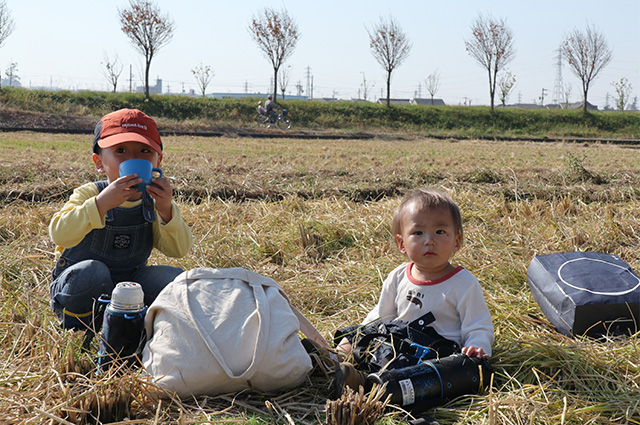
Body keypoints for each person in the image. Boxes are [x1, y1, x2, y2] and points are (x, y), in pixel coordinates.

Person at [334, 188, 494, 395]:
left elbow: (478, 326)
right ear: (401, 243)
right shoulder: (398, 276)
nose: (429, 240)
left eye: (440, 232)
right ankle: (329, 361)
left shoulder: (463, 284)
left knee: (417, 376)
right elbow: (381, 316)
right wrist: (363, 334)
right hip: (396, 340)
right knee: (354, 336)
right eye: (418, 233)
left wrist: (477, 347)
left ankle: (367, 386)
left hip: (433, 353)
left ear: (457, 241)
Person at [49, 108, 193, 330]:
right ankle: (80, 326)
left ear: (158, 161)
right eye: (121, 150)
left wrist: (166, 210)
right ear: (99, 162)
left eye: (145, 150)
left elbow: (179, 250)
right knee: (92, 272)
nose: (133, 158)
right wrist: (101, 204)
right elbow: (59, 233)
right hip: (82, 287)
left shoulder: (153, 201)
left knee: (174, 278)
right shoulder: (90, 194)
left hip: (130, 288)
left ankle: (136, 323)